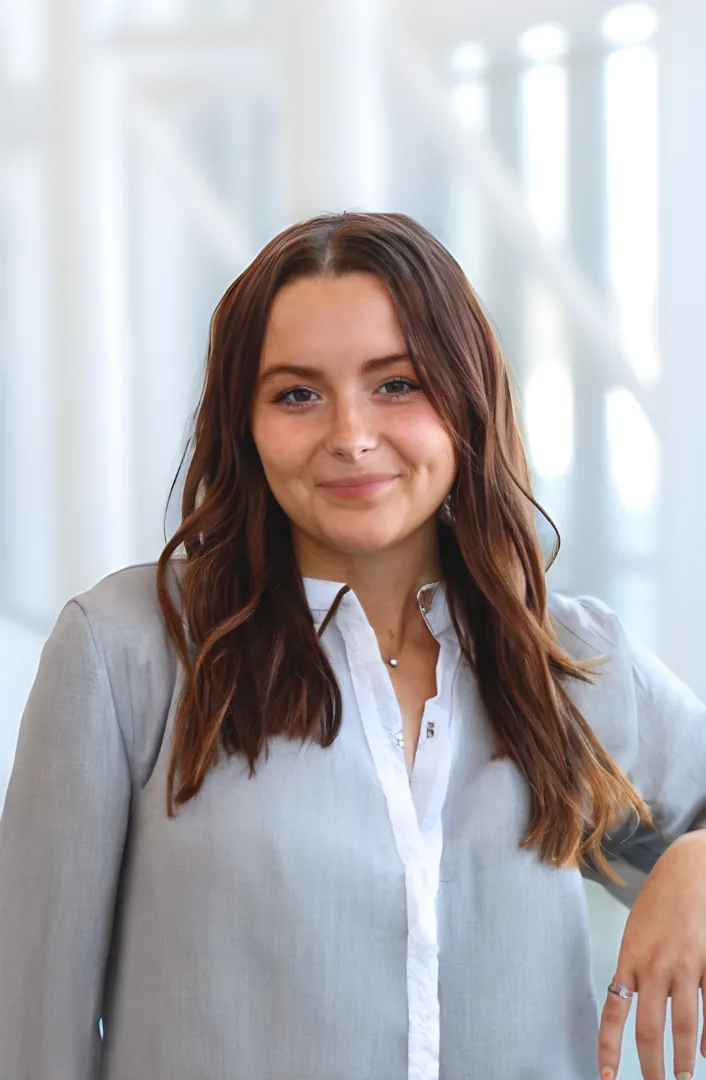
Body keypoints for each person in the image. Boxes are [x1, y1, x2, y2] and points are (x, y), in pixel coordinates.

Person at [1, 212, 705, 1080]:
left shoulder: (567, 659)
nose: (350, 435)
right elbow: (31, 1040)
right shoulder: (123, 654)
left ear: (466, 395)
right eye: (296, 394)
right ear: (244, 421)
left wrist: (697, 860)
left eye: (397, 384)